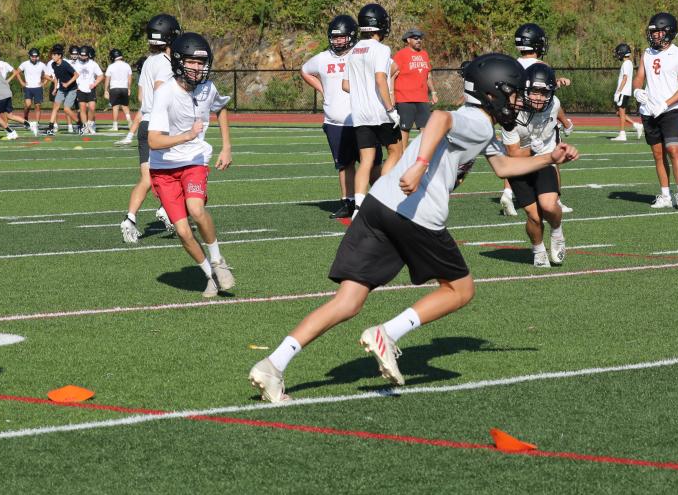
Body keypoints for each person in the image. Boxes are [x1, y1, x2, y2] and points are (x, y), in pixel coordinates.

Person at [248, 53, 579, 402]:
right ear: (491, 93)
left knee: (347, 301)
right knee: (460, 290)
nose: (516, 100)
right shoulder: (477, 122)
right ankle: (387, 333)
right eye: (512, 93)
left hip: (380, 204)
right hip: (417, 213)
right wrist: (420, 166)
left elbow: (504, 167)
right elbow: (438, 119)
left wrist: (549, 158)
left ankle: (274, 364)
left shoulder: (480, 123)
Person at [147, 32, 235, 298]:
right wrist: (186, 135)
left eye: (202, 63)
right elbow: (153, 140)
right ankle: (209, 275)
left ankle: (219, 261)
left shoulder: (208, 88)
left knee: (196, 209)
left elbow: (220, 109)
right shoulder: (165, 93)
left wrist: (227, 146)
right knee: (183, 231)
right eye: (192, 62)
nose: (198, 68)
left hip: (194, 161)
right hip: (164, 169)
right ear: (178, 61)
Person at [499, 23, 574, 215]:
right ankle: (555, 198)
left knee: (514, 155)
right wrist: (565, 122)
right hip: (539, 117)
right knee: (552, 156)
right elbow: (548, 95)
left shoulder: (512, 66)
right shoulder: (542, 66)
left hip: (515, 116)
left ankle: (507, 192)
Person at [119, 14, 181, 240]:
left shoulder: (147, 62)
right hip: (159, 124)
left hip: (145, 122)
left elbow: (140, 95)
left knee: (146, 178)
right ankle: (166, 209)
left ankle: (130, 219)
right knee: (181, 171)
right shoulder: (164, 64)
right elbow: (160, 90)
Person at [501, 63, 568, 267]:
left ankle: (556, 232)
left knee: (549, 206)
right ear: (525, 90)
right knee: (534, 216)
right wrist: (531, 149)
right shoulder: (511, 113)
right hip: (519, 165)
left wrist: (567, 123)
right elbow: (513, 152)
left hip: (544, 161)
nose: (539, 97)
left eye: (543, 92)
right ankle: (538, 250)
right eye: (534, 92)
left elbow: (557, 108)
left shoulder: (553, 102)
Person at [300, 14, 363, 219]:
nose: (337, 41)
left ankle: (383, 201)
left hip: (362, 118)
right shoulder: (323, 58)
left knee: (371, 164)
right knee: (344, 164)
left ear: (352, 36)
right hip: (335, 121)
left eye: (341, 37)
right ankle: (348, 202)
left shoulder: (361, 52)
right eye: (334, 37)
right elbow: (305, 71)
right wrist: (322, 89)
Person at [342, 3, 403, 216]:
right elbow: (380, 79)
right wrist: (390, 108)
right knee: (396, 152)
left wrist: (363, 92)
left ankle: (358, 206)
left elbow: (346, 85)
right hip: (379, 112)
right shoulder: (382, 49)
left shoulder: (353, 51)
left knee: (366, 161)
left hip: (360, 114)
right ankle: (381, 195)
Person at [632, 12, 678, 209]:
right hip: (649, 111)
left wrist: (665, 104)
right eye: (653, 32)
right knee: (658, 154)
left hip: (670, 110)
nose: (655, 35)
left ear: (669, 32)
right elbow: (640, 76)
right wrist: (637, 90)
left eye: (659, 31)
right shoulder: (647, 53)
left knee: (673, 150)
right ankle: (665, 195)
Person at [391, 28, 437, 151]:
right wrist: (391, 94)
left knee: (426, 129)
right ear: (408, 40)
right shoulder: (401, 54)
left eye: (420, 38)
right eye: (416, 38)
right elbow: (391, 74)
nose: (419, 40)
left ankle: (423, 157)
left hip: (422, 99)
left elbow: (428, 75)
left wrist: (433, 92)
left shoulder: (424, 54)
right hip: (404, 99)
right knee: (405, 129)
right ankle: (403, 158)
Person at [609, 43, 644, 141]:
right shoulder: (628, 63)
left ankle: (622, 134)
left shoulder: (626, 63)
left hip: (623, 92)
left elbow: (625, 78)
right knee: (619, 113)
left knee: (621, 113)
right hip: (624, 92)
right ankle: (636, 125)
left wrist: (618, 92)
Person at [44, 44, 79, 136]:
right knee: (55, 107)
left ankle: (80, 124)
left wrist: (68, 83)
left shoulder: (65, 65)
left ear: (59, 56)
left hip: (71, 89)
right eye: (52, 54)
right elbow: (56, 77)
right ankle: (50, 127)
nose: (53, 56)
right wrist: (55, 88)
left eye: (55, 55)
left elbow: (76, 75)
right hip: (61, 89)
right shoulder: (53, 64)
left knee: (67, 109)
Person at [18, 48, 50, 135]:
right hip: (28, 87)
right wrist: (22, 82)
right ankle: (25, 118)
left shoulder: (42, 65)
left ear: (38, 57)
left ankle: (37, 123)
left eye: (36, 56)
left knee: (38, 106)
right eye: (32, 56)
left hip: (38, 88)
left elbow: (48, 74)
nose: (34, 58)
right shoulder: (25, 64)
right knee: (28, 105)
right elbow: (17, 72)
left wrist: (44, 82)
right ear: (29, 56)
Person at [75, 46, 103, 134]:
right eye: (81, 56)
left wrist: (94, 84)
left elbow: (101, 76)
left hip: (90, 89)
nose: (83, 57)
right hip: (80, 89)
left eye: (85, 56)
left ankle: (90, 124)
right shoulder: (76, 64)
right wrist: (75, 86)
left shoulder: (93, 64)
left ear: (88, 55)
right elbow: (71, 76)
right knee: (82, 109)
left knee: (92, 107)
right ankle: (86, 127)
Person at [105, 48, 133, 131]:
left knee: (115, 107)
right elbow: (130, 78)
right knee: (125, 106)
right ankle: (129, 122)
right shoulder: (127, 65)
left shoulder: (111, 66)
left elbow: (107, 79)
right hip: (124, 87)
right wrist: (129, 88)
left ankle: (115, 125)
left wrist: (106, 90)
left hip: (114, 88)